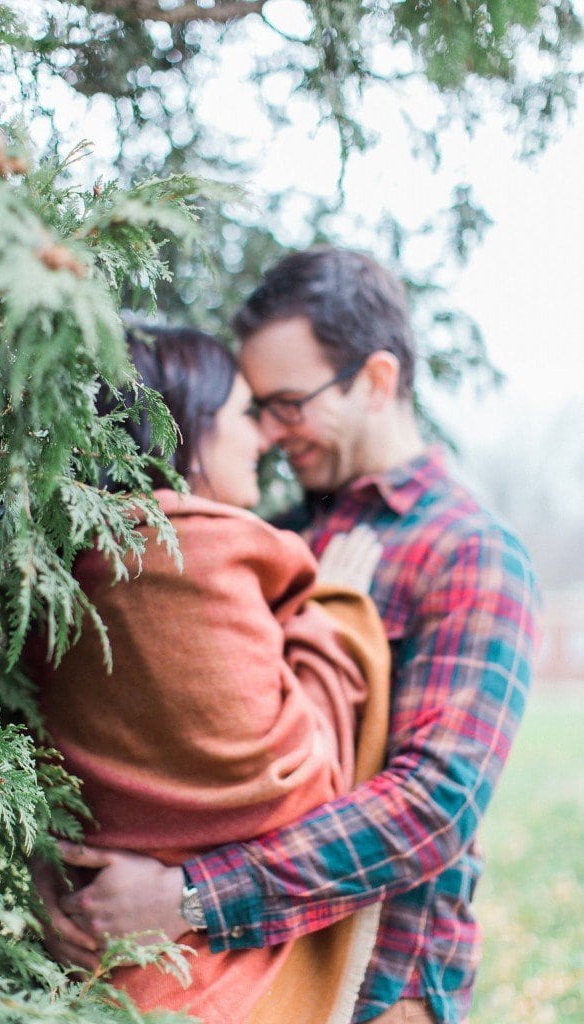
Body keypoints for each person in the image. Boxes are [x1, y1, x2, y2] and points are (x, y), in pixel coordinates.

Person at [41, 251, 539, 1024]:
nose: (269, 433)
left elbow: (433, 806)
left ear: (376, 380)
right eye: (256, 408)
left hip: (382, 990)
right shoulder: (269, 536)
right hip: (228, 987)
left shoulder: (467, 551)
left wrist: (188, 897)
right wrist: (72, 878)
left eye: (289, 403)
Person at [30, 324, 391, 1024]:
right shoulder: (201, 555)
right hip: (205, 981)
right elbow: (295, 785)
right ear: (188, 429)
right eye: (244, 416)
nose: (262, 438)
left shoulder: (58, 561)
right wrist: (336, 614)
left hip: (99, 972)